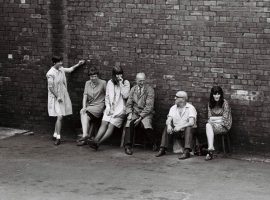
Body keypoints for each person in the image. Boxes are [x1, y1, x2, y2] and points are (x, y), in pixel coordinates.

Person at [88, 66, 130, 150]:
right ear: (114, 75)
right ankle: (95, 140)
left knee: (111, 125)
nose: (119, 76)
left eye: (120, 74)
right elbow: (107, 97)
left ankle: (98, 143)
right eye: (117, 75)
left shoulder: (126, 83)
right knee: (104, 123)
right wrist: (108, 107)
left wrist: (121, 84)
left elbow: (126, 96)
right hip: (110, 108)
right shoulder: (110, 83)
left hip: (120, 110)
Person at [46, 56, 85, 145]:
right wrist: (57, 97)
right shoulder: (50, 73)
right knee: (60, 116)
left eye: (61, 61)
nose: (61, 63)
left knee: (59, 116)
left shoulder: (61, 69)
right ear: (54, 63)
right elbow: (51, 88)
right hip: (56, 97)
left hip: (63, 95)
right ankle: (58, 138)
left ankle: (55, 134)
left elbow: (70, 70)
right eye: (59, 62)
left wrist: (78, 64)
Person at [155, 91, 197, 159]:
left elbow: (191, 122)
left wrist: (180, 126)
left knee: (189, 127)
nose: (175, 98)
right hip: (176, 131)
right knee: (167, 126)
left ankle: (186, 151)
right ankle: (162, 149)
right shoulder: (173, 108)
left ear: (183, 99)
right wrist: (169, 125)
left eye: (177, 97)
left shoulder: (190, 108)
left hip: (187, 132)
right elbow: (169, 119)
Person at [123, 72, 156, 155]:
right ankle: (128, 146)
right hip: (135, 112)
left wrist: (140, 117)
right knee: (129, 123)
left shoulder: (150, 90)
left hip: (146, 113)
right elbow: (128, 104)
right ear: (136, 80)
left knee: (146, 125)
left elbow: (149, 107)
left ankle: (153, 143)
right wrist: (129, 113)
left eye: (143, 81)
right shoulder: (133, 89)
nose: (142, 83)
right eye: (140, 81)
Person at [77, 66, 107, 146]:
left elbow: (107, 96)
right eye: (91, 76)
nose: (93, 78)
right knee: (83, 113)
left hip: (99, 106)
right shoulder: (87, 83)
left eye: (95, 76)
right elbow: (85, 96)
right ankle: (85, 135)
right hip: (89, 106)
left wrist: (106, 107)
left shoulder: (103, 83)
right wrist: (83, 107)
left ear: (97, 76)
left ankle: (85, 136)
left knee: (84, 114)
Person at [205, 86, 232, 161]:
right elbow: (209, 117)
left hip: (224, 125)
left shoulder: (224, 103)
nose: (216, 96)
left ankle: (210, 151)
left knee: (208, 126)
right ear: (212, 95)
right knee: (208, 125)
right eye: (215, 94)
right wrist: (218, 119)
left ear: (221, 94)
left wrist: (214, 119)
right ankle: (211, 147)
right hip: (214, 124)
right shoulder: (210, 103)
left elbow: (225, 119)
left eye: (218, 94)